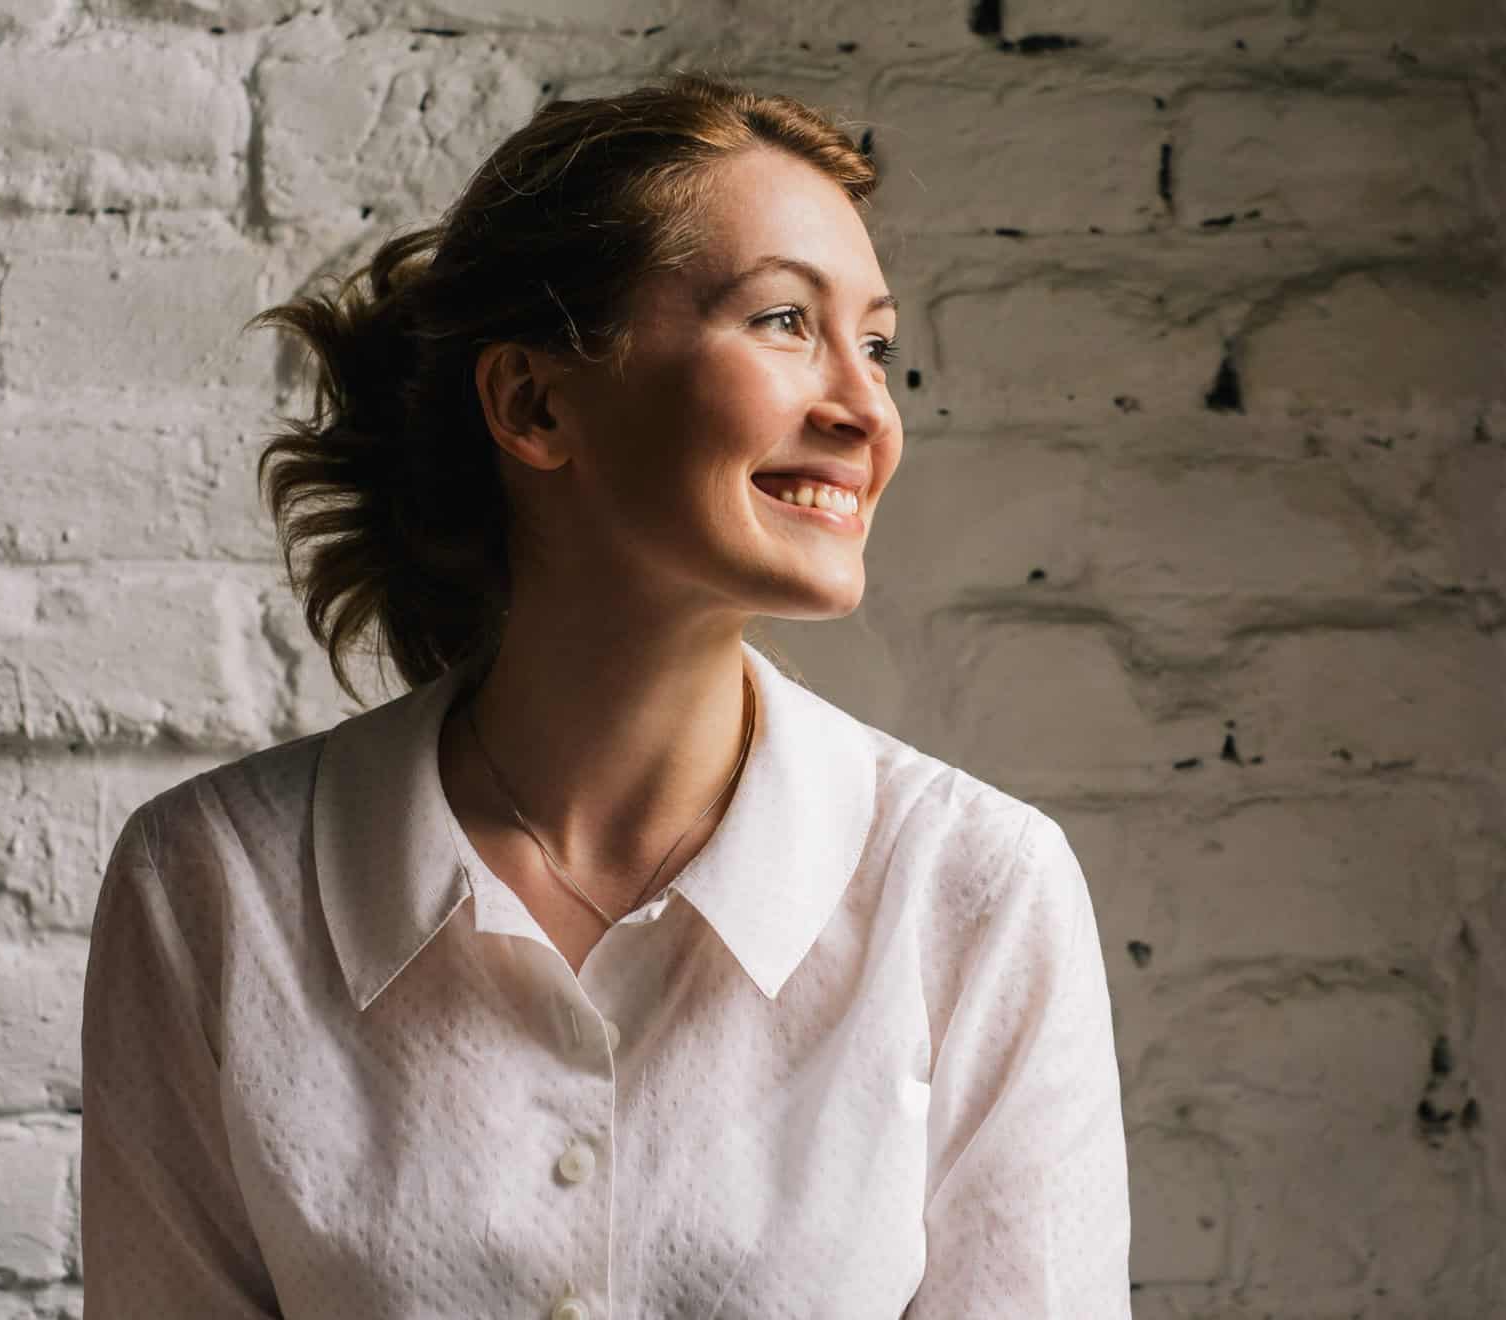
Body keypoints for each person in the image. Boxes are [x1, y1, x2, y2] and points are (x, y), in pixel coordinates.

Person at [78, 71, 1131, 1319]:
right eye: (786, 322)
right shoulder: (213, 887)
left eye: (879, 343)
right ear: (534, 402)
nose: (866, 410)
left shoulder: (975, 888)